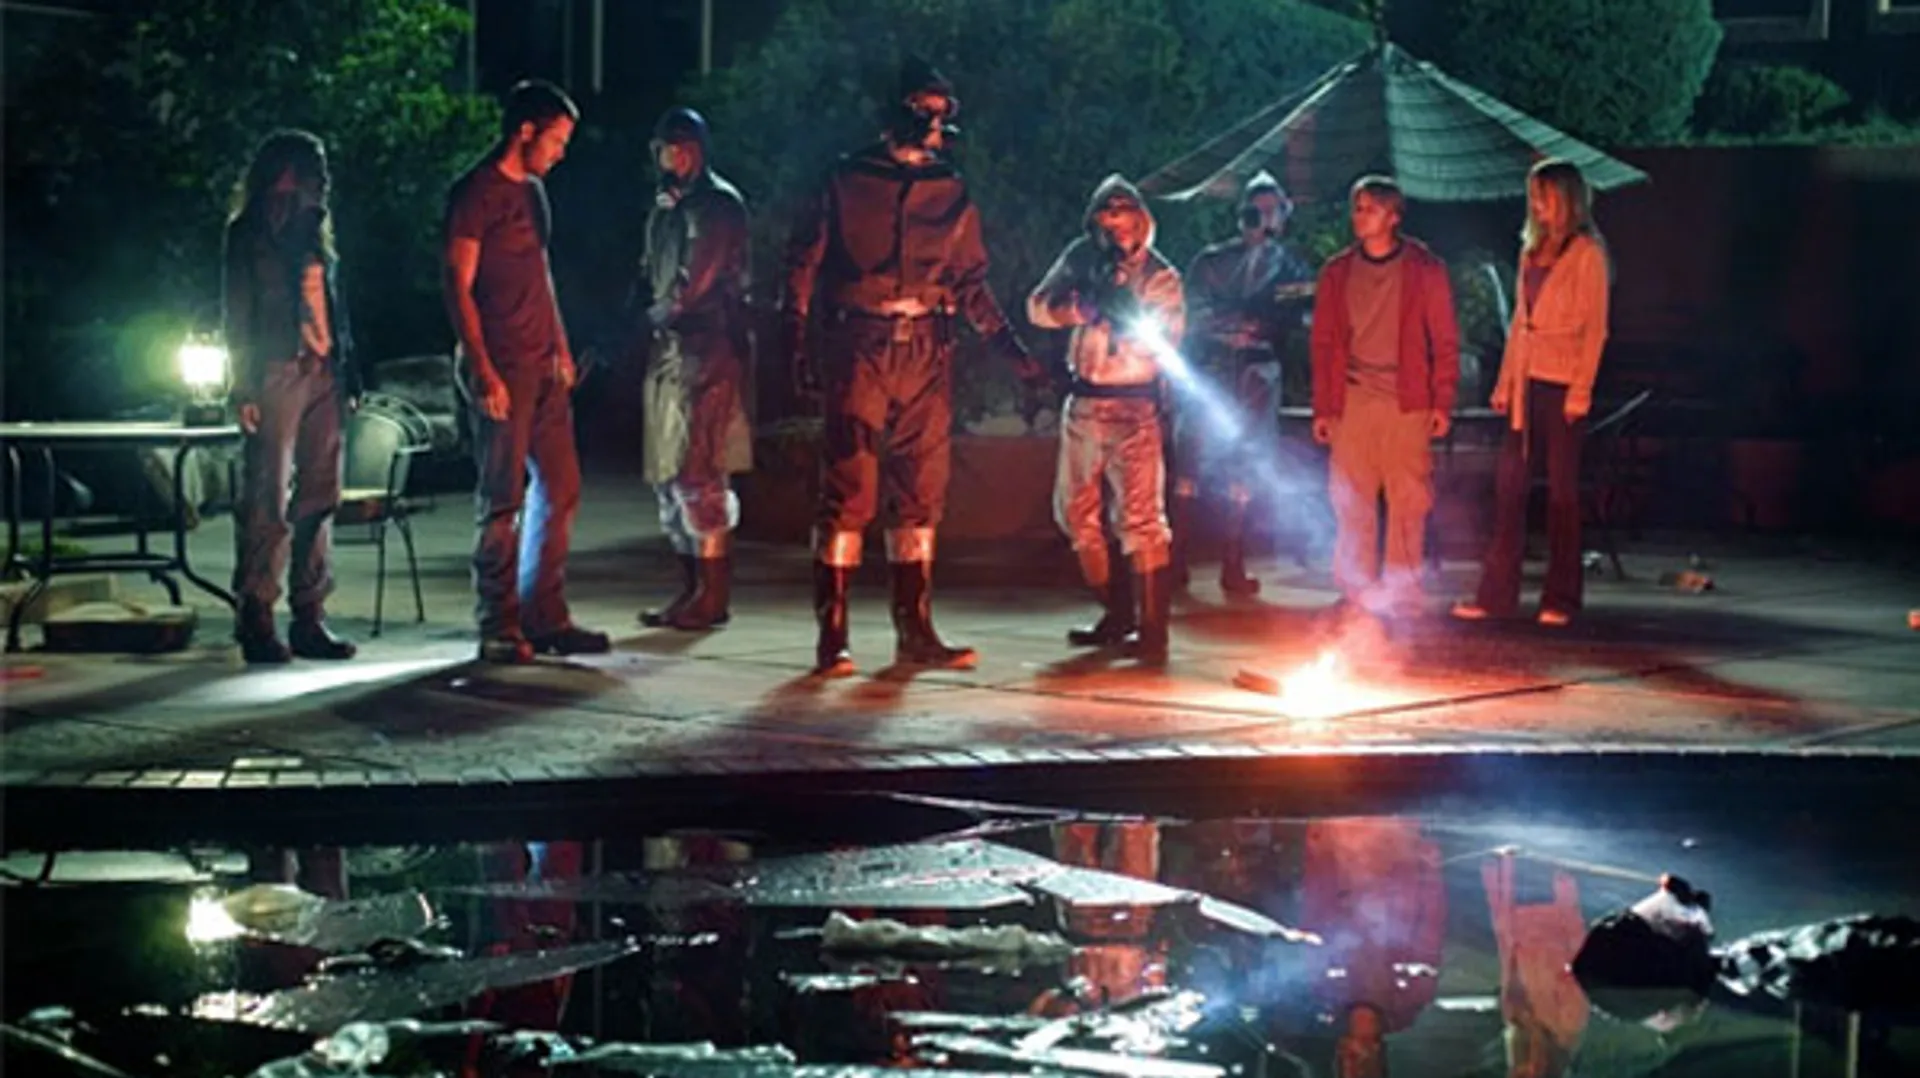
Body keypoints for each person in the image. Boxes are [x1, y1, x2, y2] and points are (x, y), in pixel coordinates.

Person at [782, 56, 1045, 679]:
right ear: (898, 110)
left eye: (942, 113)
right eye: (925, 110)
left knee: (922, 492)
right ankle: (833, 635)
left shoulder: (950, 188)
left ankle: (915, 631)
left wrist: (1015, 355)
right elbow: (802, 264)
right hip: (860, 345)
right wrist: (793, 340)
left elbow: (971, 281)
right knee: (850, 487)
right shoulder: (846, 179)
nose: (934, 123)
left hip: (927, 350)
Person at [443, 79, 608, 664]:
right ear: (526, 131)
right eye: (556, 140)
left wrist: (560, 345)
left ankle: (546, 616)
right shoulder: (475, 194)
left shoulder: (534, 193)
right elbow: (457, 283)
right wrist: (481, 367)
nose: (560, 153)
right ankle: (497, 622)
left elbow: (541, 272)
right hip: (502, 366)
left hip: (542, 366)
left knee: (561, 488)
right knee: (502, 498)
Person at [1027, 176, 1185, 666]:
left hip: (1135, 407)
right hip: (1084, 406)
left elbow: (1167, 341)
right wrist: (1077, 307)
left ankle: (1153, 631)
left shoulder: (1160, 275)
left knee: (1142, 520)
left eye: (1125, 212)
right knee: (1076, 514)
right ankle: (1117, 613)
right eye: (1107, 213)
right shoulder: (1080, 259)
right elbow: (1036, 308)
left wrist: (1126, 316)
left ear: (1142, 219)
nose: (1116, 223)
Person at [1454, 159, 1611, 627]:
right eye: (1534, 197)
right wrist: (1505, 382)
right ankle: (1495, 594)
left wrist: (1581, 390)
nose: (1537, 205)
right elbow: (1521, 324)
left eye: (1545, 196)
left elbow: (1595, 329)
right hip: (1526, 382)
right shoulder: (1530, 252)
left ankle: (1562, 597)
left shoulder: (1587, 254)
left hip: (1562, 383)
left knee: (1562, 493)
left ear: (1567, 199)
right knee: (1509, 488)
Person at [225, 129, 361, 665]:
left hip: (323, 370)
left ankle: (310, 615)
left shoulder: (316, 230)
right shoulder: (249, 234)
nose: (322, 180)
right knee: (268, 496)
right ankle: (256, 614)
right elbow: (237, 312)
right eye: (312, 168)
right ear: (284, 172)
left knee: (321, 494)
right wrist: (242, 385)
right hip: (275, 369)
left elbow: (337, 306)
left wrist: (351, 374)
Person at [1309, 176, 1459, 618]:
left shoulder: (1424, 269)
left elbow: (1444, 339)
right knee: (1350, 497)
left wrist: (1441, 400)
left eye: (1370, 209)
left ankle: (1403, 589)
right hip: (1353, 396)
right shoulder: (1337, 272)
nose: (1360, 217)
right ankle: (1356, 589)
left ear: (1393, 217)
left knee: (1408, 498)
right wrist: (1324, 407)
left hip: (1406, 398)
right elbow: (1323, 342)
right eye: (1357, 208)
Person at [633, 106, 753, 632]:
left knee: (699, 471)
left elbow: (695, 281)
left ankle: (712, 593)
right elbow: (649, 272)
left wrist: (657, 314)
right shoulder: (667, 208)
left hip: (707, 348)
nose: (664, 158)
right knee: (669, 473)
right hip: (670, 350)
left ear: (691, 150)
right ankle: (691, 589)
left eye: (671, 148)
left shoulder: (717, 206)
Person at [1172, 171, 1316, 597]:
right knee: (1190, 461)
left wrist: (1265, 324)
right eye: (1256, 211)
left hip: (1257, 374)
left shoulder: (1291, 265)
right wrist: (1222, 325)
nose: (1264, 219)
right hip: (1212, 372)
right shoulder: (1211, 261)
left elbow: (1300, 313)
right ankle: (1174, 557)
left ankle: (1232, 561)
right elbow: (1190, 311)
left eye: (1273, 211)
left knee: (1246, 465)